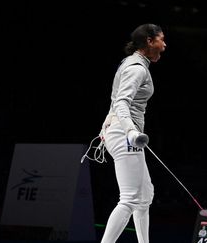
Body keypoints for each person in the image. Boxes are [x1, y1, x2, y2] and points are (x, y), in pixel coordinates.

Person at [86, 23, 166, 243]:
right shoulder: (136, 68)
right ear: (149, 41)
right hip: (125, 134)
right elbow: (121, 102)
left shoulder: (133, 63)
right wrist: (131, 131)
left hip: (122, 132)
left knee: (145, 195)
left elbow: (114, 100)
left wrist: (107, 127)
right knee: (130, 198)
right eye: (161, 39)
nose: (164, 45)